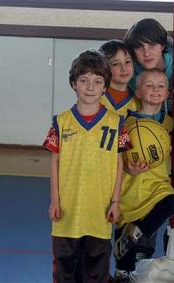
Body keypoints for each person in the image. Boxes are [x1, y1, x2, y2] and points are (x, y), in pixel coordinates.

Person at [43, 50, 130, 283]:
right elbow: (55, 162)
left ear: (105, 87)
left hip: (99, 213)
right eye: (84, 80)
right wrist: (55, 200)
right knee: (64, 271)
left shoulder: (116, 123)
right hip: (67, 214)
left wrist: (115, 201)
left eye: (97, 81)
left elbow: (119, 163)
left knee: (96, 272)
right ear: (74, 84)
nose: (90, 87)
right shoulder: (61, 122)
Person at [124, 17, 174, 258]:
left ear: (163, 46)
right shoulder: (134, 70)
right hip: (149, 132)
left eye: (152, 45)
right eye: (139, 47)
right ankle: (142, 244)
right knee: (146, 182)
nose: (146, 52)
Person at [113, 69, 174, 283]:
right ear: (138, 93)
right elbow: (116, 155)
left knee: (173, 203)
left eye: (161, 86)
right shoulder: (125, 124)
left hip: (157, 185)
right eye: (149, 85)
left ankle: (137, 231)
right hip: (130, 187)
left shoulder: (169, 123)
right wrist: (127, 167)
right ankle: (121, 273)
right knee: (127, 256)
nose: (155, 90)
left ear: (168, 92)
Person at [99, 39, 139, 117]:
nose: (123, 69)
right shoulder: (95, 96)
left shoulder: (138, 100)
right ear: (104, 68)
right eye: (115, 64)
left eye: (127, 62)